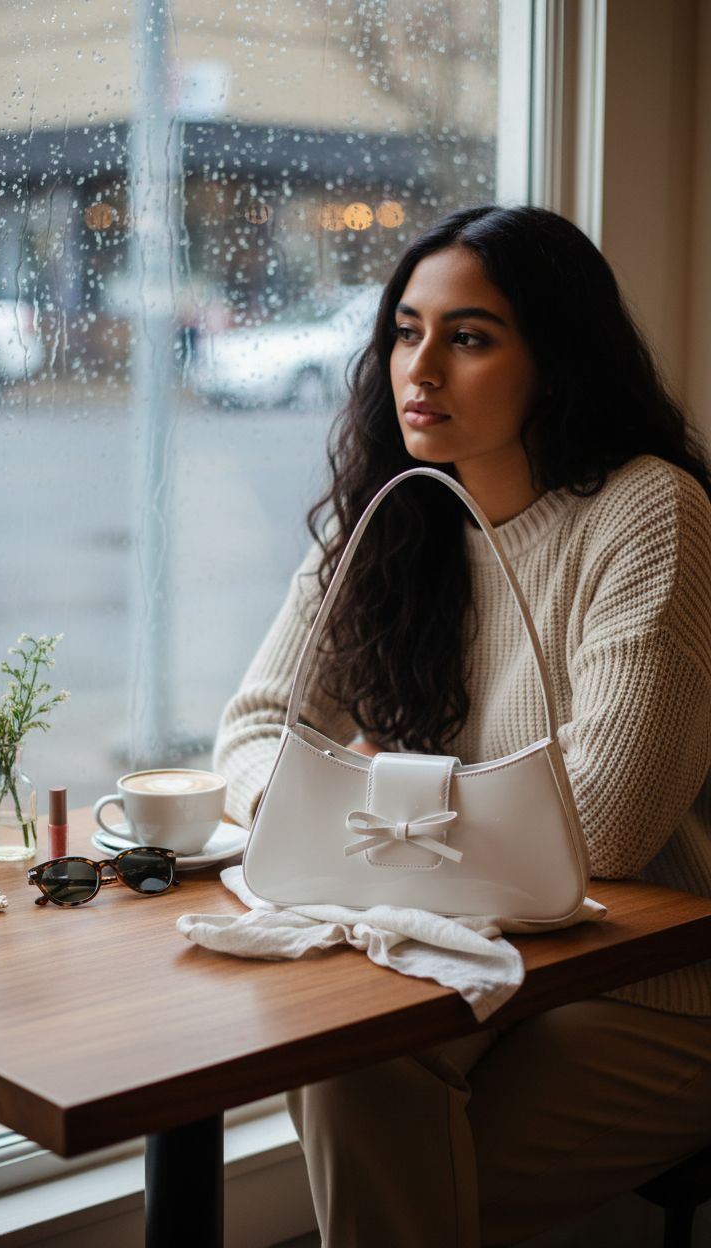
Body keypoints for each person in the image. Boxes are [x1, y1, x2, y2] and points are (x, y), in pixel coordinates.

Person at [213, 205, 711, 1247]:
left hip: (653, 981)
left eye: (468, 336)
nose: (420, 368)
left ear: (557, 358)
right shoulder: (392, 518)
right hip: (467, 957)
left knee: (401, 1189)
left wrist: (362, 810)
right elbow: (255, 727)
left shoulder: (644, 510)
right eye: (404, 331)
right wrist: (341, 808)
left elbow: (607, 830)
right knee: (345, 1061)